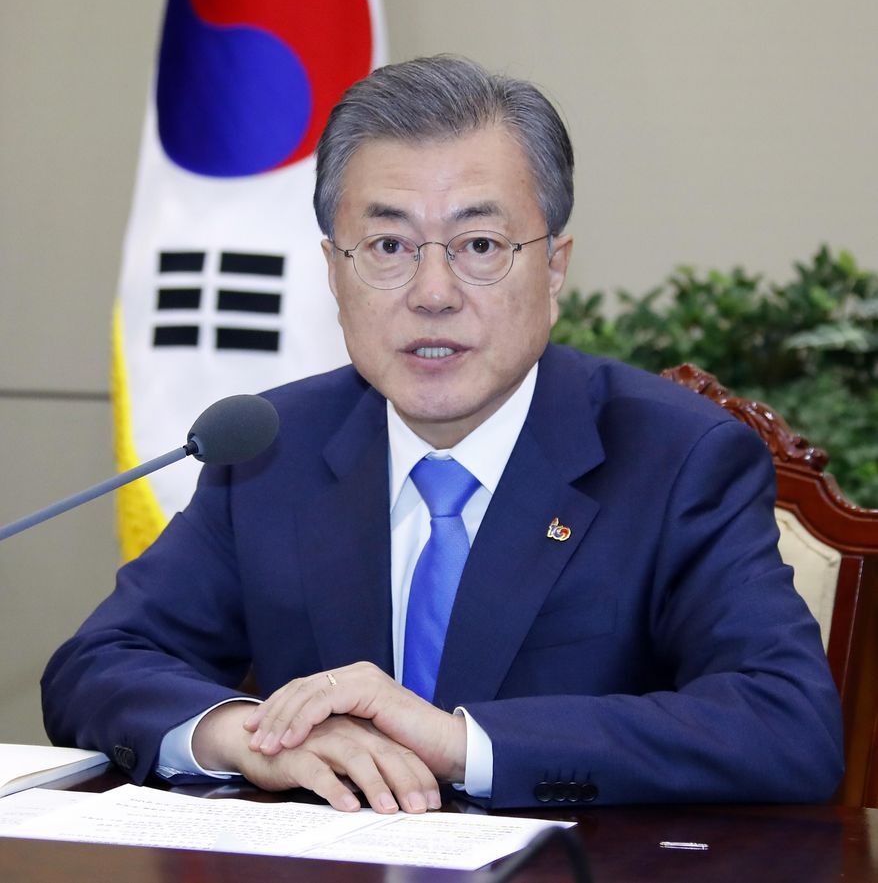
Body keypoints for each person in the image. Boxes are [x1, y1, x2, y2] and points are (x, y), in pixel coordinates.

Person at [42, 55, 843, 814]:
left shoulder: (676, 458)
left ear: (554, 268)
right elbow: (97, 664)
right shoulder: (274, 447)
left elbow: (786, 722)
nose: (433, 293)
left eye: (480, 246)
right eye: (388, 246)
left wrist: (465, 744)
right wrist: (249, 737)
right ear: (333, 269)